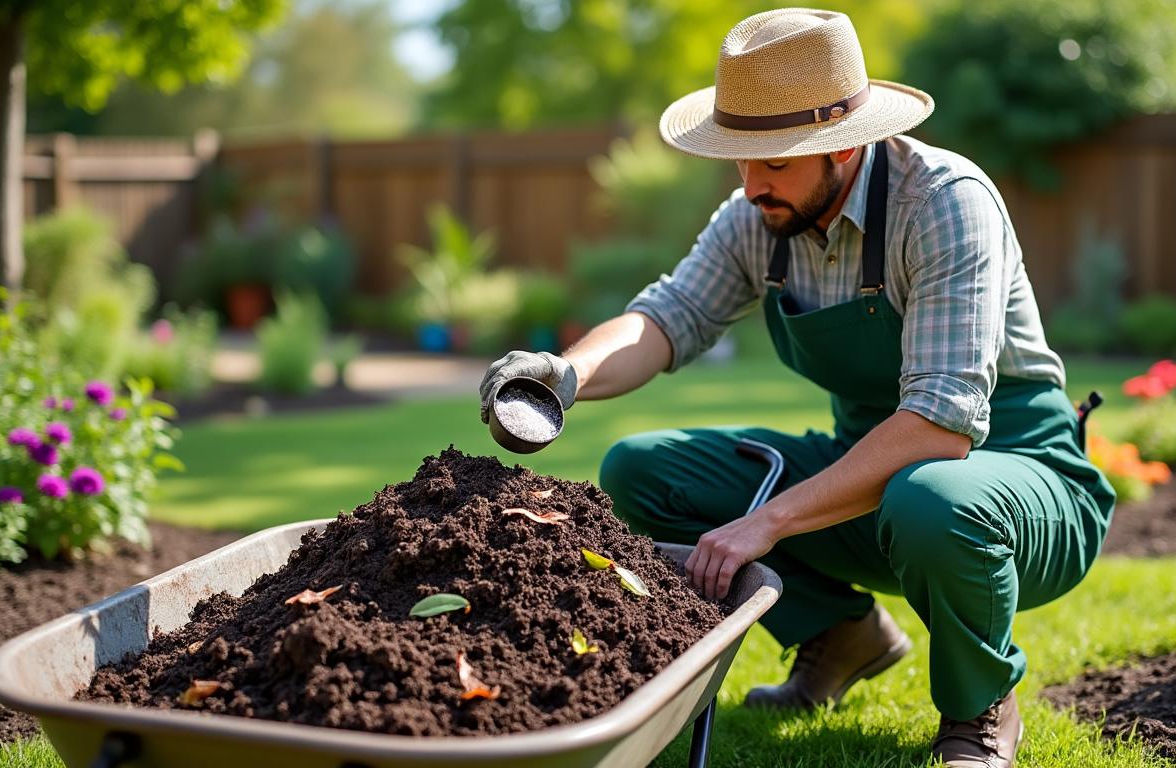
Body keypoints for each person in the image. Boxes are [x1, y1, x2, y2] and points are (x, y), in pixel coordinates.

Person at [478, 8, 1116, 767]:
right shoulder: (757, 217)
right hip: (871, 481)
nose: (752, 186)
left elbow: (941, 427)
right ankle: (839, 635)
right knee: (640, 471)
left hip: (1014, 483)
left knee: (933, 497)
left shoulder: (944, 203)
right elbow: (667, 318)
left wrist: (769, 522)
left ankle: (979, 709)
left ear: (842, 145)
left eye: (774, 163)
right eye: (739, 161)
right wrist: (567, 373)